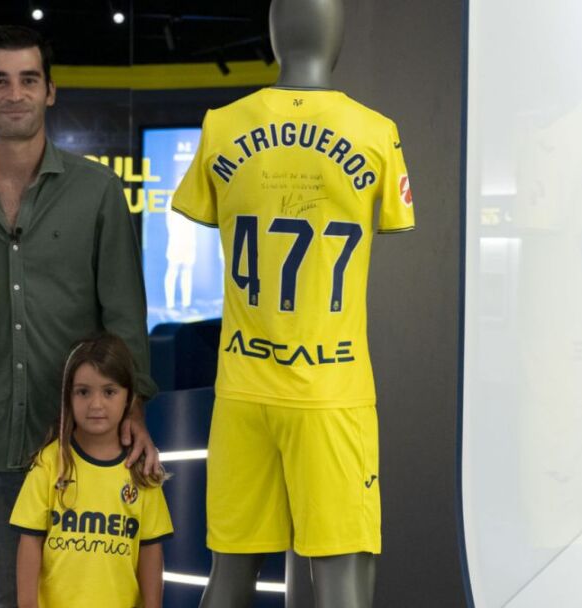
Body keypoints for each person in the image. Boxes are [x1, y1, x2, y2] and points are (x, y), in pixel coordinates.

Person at [170, 1, 415, 606]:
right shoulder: (375, 131)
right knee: (341, 582)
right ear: (336, 35)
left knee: (229, 575)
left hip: (243, 389)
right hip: (330, 392)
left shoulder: (223, 124)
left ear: (277, 33)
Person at [0, 25, 160, 607]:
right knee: (12, 594)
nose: (15, 93)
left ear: (50, 91)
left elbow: (125, 312)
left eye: (28, 80)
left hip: (87, 439)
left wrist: (133, 409)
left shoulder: (97, 191)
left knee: (94, 594)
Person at [10, 334, 173, 608]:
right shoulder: (49, 463)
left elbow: (150, 550)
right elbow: (30, 542)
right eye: (83, 392)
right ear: (68, 396)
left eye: (109, 392)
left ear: (129, 398)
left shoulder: (140, 469)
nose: (96, 404)